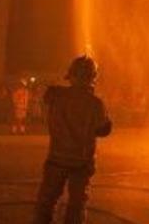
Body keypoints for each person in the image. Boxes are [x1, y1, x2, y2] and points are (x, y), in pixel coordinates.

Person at [34, 55, 112, 224]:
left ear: (71, 75)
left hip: (56, 159)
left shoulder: (56, 96)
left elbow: (46, 100)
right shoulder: (95, 103)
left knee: (47, 201)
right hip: (81, 163)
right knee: (76, 205)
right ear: (93, 77)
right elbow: (103, 130)